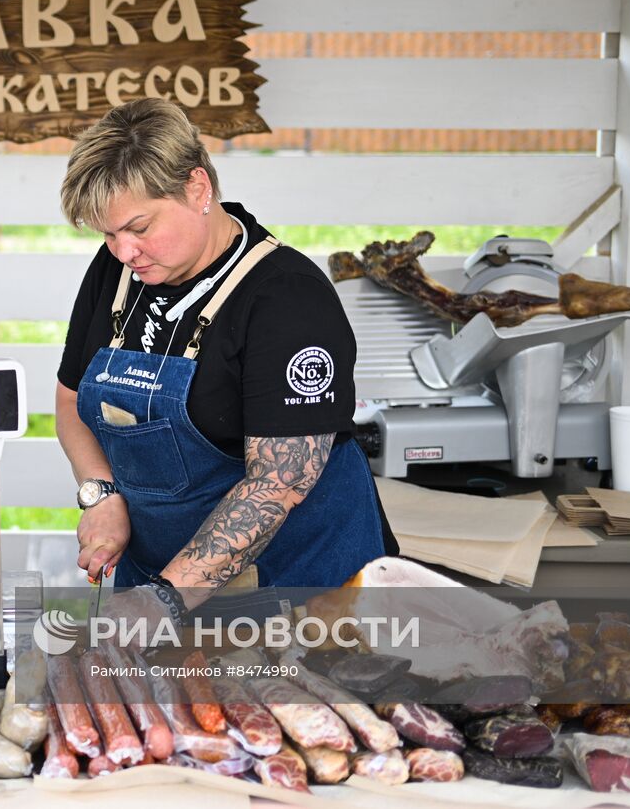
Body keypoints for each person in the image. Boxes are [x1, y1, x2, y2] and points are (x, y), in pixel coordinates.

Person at [55, 98, 397, 622]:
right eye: (108, 234)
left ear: (198, 189)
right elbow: (72, 398)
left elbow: (274, 485)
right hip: (162, 577)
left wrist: (165, 600)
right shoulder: (118, 272)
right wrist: (101, 495)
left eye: (140, 227)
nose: (124, 250)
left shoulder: (286, 298)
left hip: (301, 587)